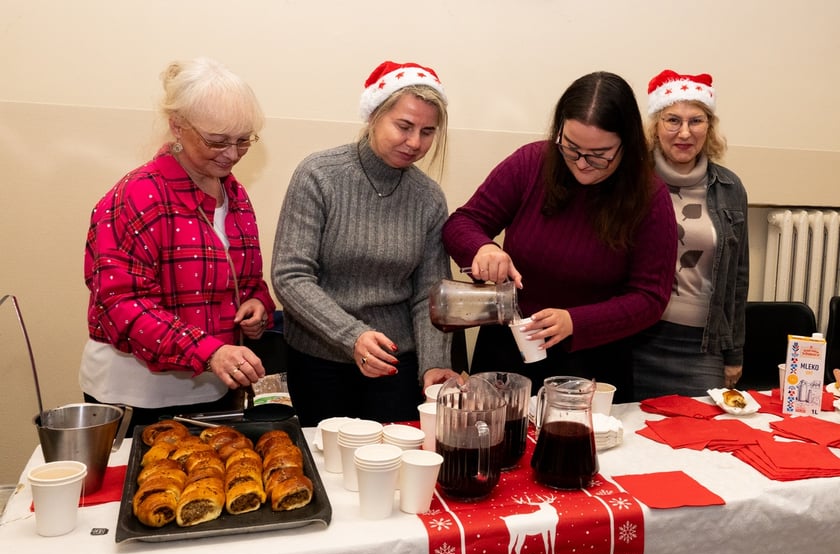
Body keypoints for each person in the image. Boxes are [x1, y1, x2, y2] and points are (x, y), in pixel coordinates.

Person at [442, 71, 677, 402]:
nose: (582, 163)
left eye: (599, 154)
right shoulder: (531, 164)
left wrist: (575, 322)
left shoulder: (649, 196)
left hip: (593, 363)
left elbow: (650, 297)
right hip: (507, 354)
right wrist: (483, 248)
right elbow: (462, 223)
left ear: (627, 144)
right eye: (571, 148)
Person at [79, 57, 276, 431]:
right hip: (138, 396)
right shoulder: (137, 195)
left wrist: (257, 304)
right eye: (217, 141)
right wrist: (209, 351)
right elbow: (121, 304)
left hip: (214, 389)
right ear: (177, 127)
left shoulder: (234, 195)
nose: (232, 154)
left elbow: (247, 280)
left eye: (243, 140)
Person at [271, 61, 459, 426]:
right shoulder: (319, 175)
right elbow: (290, 276)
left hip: (395, 364)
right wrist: (352, 335)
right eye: (404, 126)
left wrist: (434, 364)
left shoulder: (429, 198)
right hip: (319, 360)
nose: (415, 142)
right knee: (326, 457)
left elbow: (429, 294)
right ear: (374, 115)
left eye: (427, 132)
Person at [632, 70, 749, 399]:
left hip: (702, 347)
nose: (684, 132)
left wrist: (734, 354)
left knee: (700, 429)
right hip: (635, 340)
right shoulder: (632, 181)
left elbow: (738, 278)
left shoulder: (729, 187)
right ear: (656, 126)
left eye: (696, 121)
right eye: (673, 120)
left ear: (709, 127)